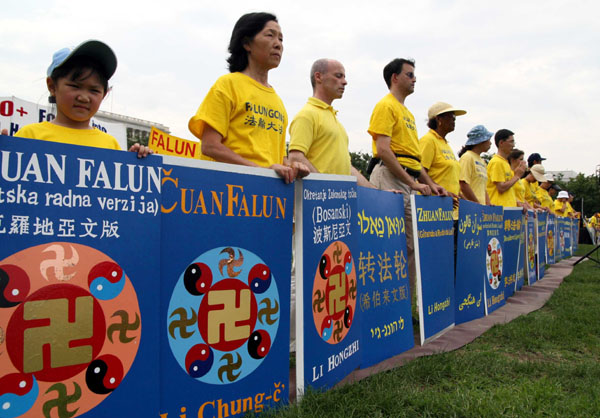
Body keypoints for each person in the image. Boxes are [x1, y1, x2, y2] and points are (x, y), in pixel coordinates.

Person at [188, 12, 307, 183]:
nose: (278, 44)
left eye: (281, 39)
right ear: (246, 43)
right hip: (227, 191)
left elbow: (277, 158)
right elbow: (210, 146)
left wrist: (292, 167)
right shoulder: (228, 85)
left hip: (267, 194)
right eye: (270, 35)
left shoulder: (277, 101)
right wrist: (262, 171)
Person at [367, 58, 446, 311]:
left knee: (411, 246)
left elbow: (413, 158)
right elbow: (383, 150)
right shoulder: (386, 105)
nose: (414, 79)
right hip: (388, 177)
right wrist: (413, 183)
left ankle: (401, 305)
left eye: (414, 75)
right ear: (395, 77)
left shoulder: (408, 114)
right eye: (409, 74)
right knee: (385, 245)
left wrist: (429, 183)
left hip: (406, 180)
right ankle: (380, 306)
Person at [15, 40, 151, 157]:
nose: (84, 98)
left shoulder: (110, 144)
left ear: (104, 95)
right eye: (74, 86)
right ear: (52, 86)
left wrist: (135, 161)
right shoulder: (29, 136)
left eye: (94, 90)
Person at [288, 58, 373, 187]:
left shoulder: (336, 121)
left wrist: (376, 192)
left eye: (344, 77)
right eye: (338, 76)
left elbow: (348, 168)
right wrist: (325, 189)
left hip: (337, 197)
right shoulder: (307, 115)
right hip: (318, 197)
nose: (344, 82)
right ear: (318, 77)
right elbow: (295, 157)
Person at [420, 102, 466, 200]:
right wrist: (439, 189)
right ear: (438, 119)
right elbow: (420, 171)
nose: (454, 120)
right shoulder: (428, 140)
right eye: (451, 116)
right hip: (434, 203)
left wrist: (465, 200)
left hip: (450, 204)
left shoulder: (445, 144)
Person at [486, 129, 526, 207]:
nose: (513, 145)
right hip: (499, 209)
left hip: (508, 209)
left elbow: (509, 189)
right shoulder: (497, 162)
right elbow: (501, 188)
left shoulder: (505, 163)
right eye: (511, 142)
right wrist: (517, 176)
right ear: (501, 143)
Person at [458, 125, 493, 205]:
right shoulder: (467, 157)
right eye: (488, 140)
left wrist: (488, 204)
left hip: (479, 209)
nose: (490, 143)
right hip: (469, 208)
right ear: (481, 141)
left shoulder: (482, 161)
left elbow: (483, 188)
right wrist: (476, 204)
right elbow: (463, 184)